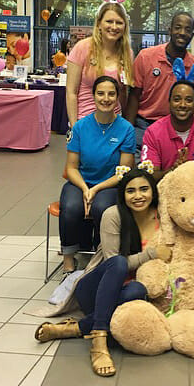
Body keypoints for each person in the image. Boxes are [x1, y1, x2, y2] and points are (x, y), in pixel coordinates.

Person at [36, 168, 172, 377]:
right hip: (96, 287)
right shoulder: (113, 215)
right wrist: (152, 254)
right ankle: (99, 342)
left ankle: (76, 328)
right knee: (118, 262)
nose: (138, 196)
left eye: (144, 189)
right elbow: (112, 262)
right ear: (122, 195)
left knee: (137, 289)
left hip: (128, 294)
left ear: (153, 192)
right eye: (131, 191)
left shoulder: (163, 218)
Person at [60, 76, 136, 274]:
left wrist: (96, 189)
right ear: (93, 96)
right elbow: (71, 168)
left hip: (110, 184)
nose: (106, 98)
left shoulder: (126, 129)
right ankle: (69, 258)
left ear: (118, 97)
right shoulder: (80, 127)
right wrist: (86, 189)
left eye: (111, 94)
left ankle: (100, 256)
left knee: (103, 208)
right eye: (100, 93)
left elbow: (124, 171)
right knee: (70, 207)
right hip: (80, 182)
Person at [127, 11, 194, 149]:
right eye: (177, 27)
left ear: (192, 36)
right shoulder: (146, 57)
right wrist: (127, 130)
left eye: (187, 30)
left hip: (177, 127)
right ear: (169, 30)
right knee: (143, 168)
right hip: (144, 124)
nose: (182, 32)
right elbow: (134, 96)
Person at [66, 0, 133, 127]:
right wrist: (75, 128)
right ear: (99, 24)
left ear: (125, 26)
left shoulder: (127, 53)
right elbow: (71, 93)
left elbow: (124, 93)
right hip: (84, 122)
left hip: (114, 123)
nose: (114, 27)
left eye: (119, 23)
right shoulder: (82, 48)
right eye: (109, 21)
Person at [141, 79, 194, 180]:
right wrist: (173, 171)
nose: (182, 105)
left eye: (188, 100)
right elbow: (149, 177)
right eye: (177, 99)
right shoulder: (153, 133)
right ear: (169, 101)